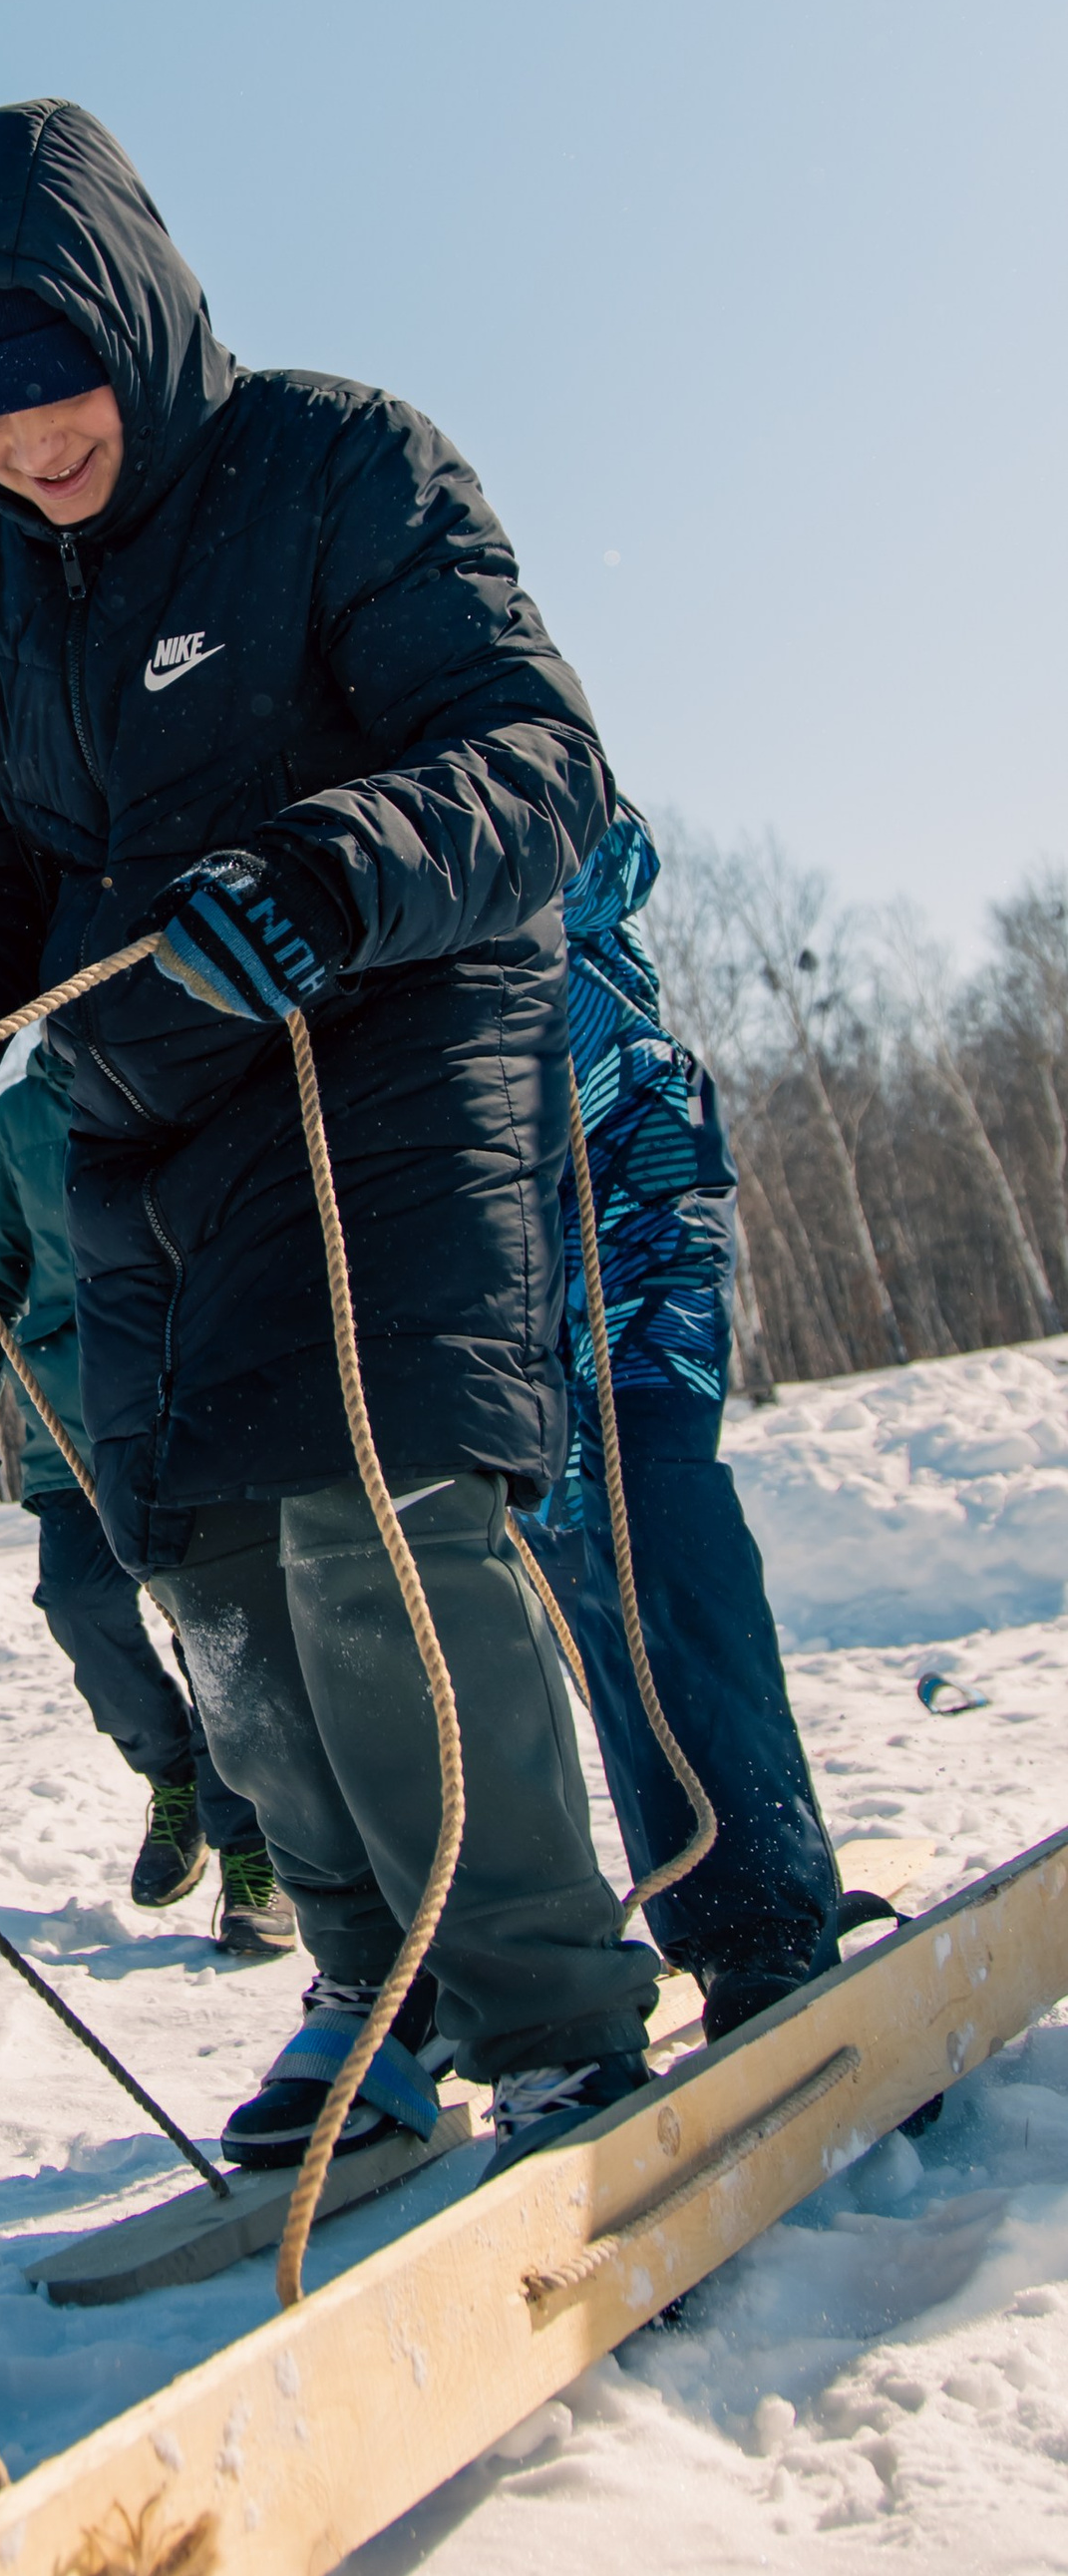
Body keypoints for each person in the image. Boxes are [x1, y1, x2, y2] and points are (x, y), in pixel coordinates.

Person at [0, 99, 660, 2182]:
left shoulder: (334, 463)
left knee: (369, 1519)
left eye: (54, 388)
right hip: (135, 1105)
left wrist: (330, 866)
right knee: (202, 1571)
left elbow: (535, 761)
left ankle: (552, 2012)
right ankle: (366, 1986)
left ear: (129, 323)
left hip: (378, 1047)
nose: (26, 444)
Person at [521, 805, 842, 2037]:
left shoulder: (483, 729)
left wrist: (451, 875)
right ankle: (702, 1912)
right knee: (577, 1578)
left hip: (633, 1212)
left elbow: (614, 853)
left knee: (654, 1527)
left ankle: (763, 1919)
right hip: (495, 1258)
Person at [0, 1033, 291, 1949]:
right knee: (81, 1602)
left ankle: (251, 1847)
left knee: (214, 1627)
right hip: (70, 1424)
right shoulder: (17, 1121)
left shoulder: (183, 1066)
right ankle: (175, 1781)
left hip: (190, 1409)